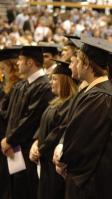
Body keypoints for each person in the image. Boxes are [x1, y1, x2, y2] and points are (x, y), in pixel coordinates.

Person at [57, 36, 112, 199]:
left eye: (77, 61)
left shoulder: (101, 97)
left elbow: (82, 142)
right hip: (83, 179)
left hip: (90, 183)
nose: (74, 66)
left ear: (87, 64)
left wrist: (64, 159)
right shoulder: (92, 92)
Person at [0, 45, 54, 199]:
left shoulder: (44, 86)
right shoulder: (23, 85)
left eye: (21, 60)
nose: (17, 63)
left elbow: (30, 120)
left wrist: (10, 140)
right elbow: (10, 116)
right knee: (15, 190)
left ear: (30, 63)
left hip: (26, 150)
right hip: (14, 149)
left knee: (26, 190)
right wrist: (7, 141)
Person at [29, 59, 78, 199]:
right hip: (44, 162)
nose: (51, 82)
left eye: (55, 79)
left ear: (65, 81)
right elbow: (44, 125)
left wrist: (40, 148)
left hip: (54, 165)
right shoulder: (56, 102)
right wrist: (36, 142)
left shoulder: (70, 104)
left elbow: (58, 132)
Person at [0, 47, 22, 199]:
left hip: (12, 141)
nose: (2, 72)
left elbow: (12, 116)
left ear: (12, 67)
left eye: (4, 68)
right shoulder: (6, 86)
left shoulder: (18, 87)